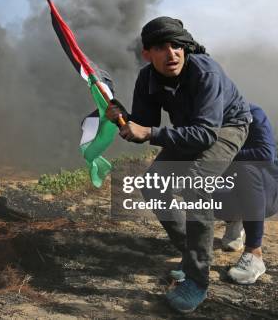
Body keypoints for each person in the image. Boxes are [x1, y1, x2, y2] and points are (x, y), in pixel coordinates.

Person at [106, 16, 252, 313]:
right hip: (192, 130)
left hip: (227, 125)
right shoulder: (147, 78)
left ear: (186, 48)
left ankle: (197, 281)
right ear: (147, 53)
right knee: (151, 185)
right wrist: (122, 119)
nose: (171, 53)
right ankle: (192, 251)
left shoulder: (205, 71)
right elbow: (144, 127)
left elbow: (206, 134)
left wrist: (147, 132)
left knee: (196, 183)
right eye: (161, 47)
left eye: (177, 46)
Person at [215, 104, 278, 284]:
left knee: (244, 167)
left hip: (268, 192)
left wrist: (222, 156)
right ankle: (234, 220)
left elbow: (265, 154)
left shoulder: (253, 113)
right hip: (234, 189)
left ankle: (254, 253)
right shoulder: (205, 117)